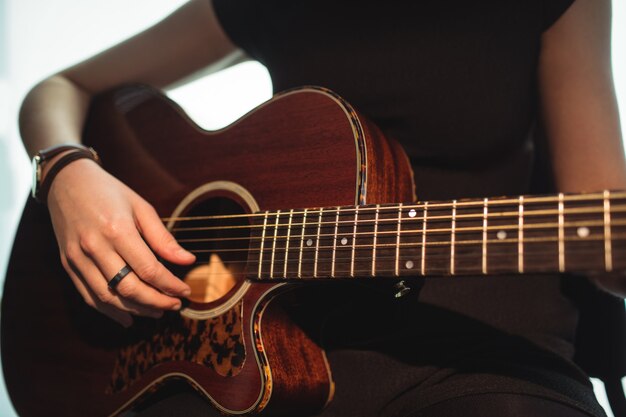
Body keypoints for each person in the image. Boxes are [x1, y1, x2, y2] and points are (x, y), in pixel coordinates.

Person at [18, 0, 626, 416]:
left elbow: (602, 228)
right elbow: (59, 89)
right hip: (264, 345)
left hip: (484, 349)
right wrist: (67, 172)